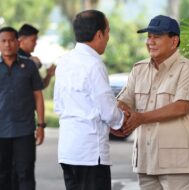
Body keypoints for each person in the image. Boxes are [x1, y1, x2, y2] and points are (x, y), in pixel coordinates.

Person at [113, 15, 189, 190]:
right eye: (149, 37)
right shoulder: (138, 69)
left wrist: (140, 118)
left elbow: (182, 107)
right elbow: (124, 101)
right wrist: (119, 121)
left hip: (179, 164)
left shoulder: (187, 69)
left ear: (174, 41)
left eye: (157, 37)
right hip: (146, 162)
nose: (150, 42)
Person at [53, 10, 126, 190]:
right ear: (99, 34)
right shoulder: (94, 64)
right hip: (91, 153)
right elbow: (109, 112)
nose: (108, 37)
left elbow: (58, 104)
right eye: (108, 31)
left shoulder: (64, 61)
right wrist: (122, 119)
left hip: (68, 151)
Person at [0, 27, 45, 190]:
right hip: (1, 131)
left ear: (17, 42)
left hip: (24, 130)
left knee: (25, 173)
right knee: (3, 174)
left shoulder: (30, 66)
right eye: (3, 41)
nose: (7, 44)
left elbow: (38, 96)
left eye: (11, 40)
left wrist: (41, 125)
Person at [18, 23, 56, 88]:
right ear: (22, 39)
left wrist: (49, 75)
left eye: (36, 40)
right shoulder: (13, 57)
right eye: (33, 40)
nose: (35, 43)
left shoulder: (30, 59)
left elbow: (40, 85)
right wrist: (30, 63)